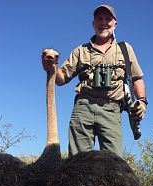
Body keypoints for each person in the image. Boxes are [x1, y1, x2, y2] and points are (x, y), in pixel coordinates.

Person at [54, 4, 147, 157]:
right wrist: (52, 67)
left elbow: (136, 78)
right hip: (83, 108)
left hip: (111, 109)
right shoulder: (80, 51)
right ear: (93, 24)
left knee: (114, 164)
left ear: (115, 24)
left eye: (108, 19)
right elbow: (61, 79)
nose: (103, 22)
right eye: (99, 19)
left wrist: (142, 101)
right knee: (78, 163)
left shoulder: (125, 49)